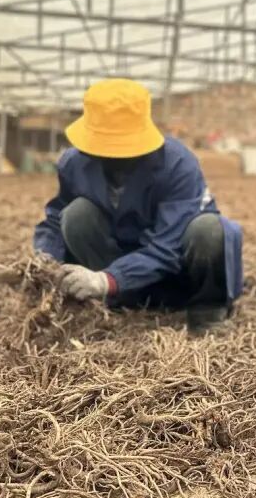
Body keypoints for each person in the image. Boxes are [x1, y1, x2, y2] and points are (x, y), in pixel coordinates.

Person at [33, 78, 243, 334]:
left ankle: (206, 315)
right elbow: (55, 219)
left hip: (179, 278)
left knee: (208, 229)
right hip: (119, 275)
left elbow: (168, 246)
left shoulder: (177, 164)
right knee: (76, 214)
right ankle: (123, 301)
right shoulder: (74, 164)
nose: (113, 155)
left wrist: (105, 280)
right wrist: (44, 261)